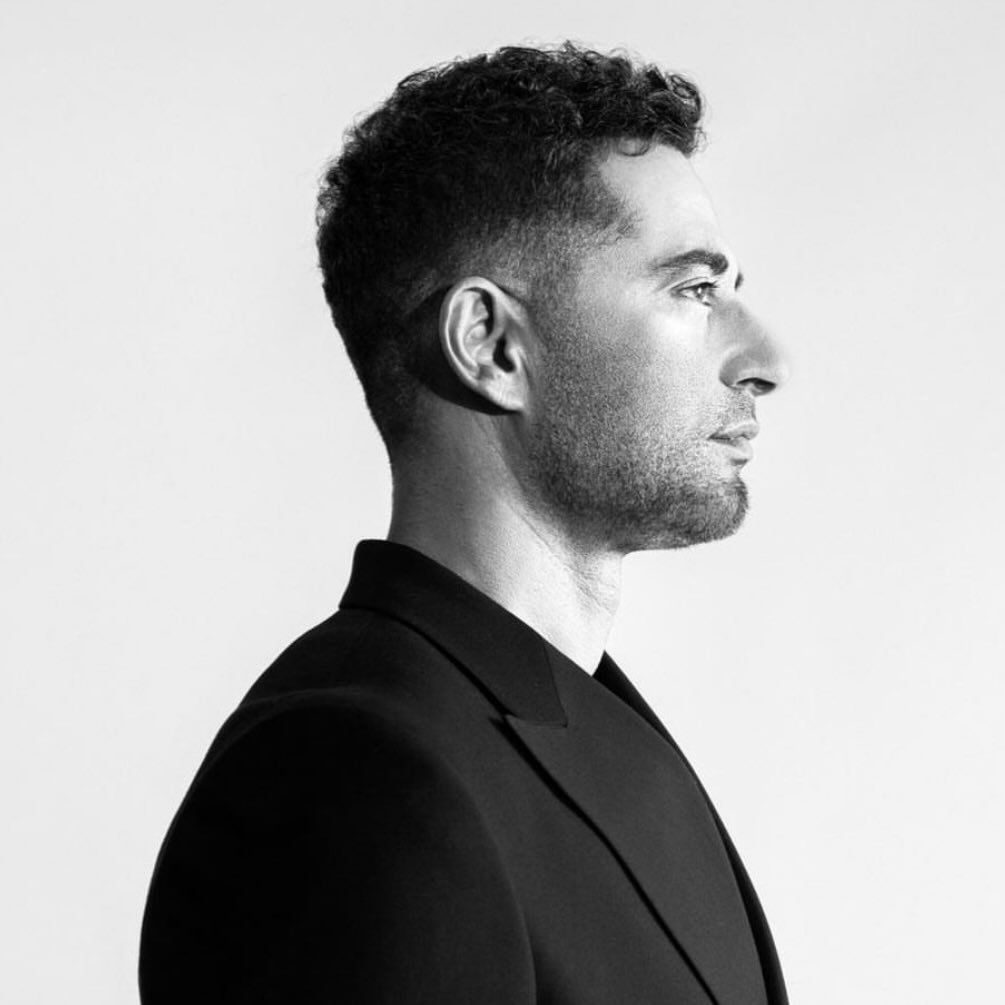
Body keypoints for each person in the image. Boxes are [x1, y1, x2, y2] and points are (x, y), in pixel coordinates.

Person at [140, 42, 789, 1004]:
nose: (764, 359)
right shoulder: (352, 777)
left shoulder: (603, 733)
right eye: (692, 290)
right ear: (490, 344)